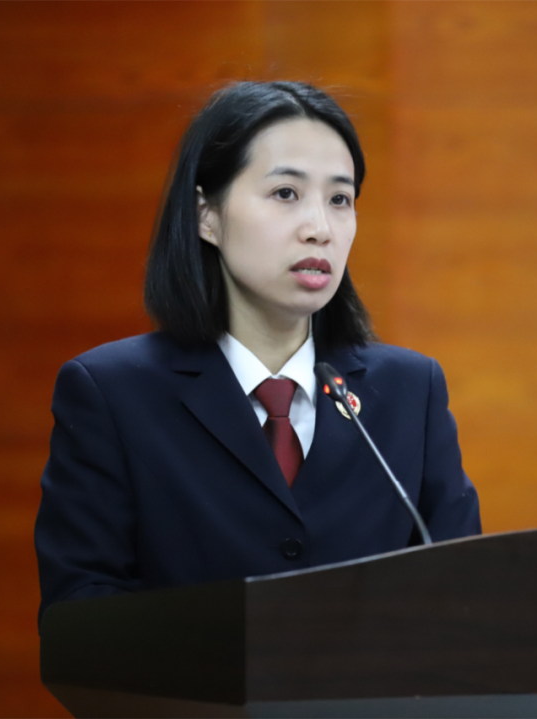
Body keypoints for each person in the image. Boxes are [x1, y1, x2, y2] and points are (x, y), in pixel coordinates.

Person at [34, 82, 481, 624]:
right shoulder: (112, 394)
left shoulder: (410, 391)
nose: (319, 229)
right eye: (286, 193)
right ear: (207, 216)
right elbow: (80, 617)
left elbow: (466, 603)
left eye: (339, 200)